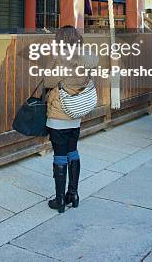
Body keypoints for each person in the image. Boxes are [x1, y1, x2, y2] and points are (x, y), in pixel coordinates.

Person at [44, 25, 98, 213]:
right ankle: (72, 194)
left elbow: (48, 82)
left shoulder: (62, 60)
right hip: (76, 114)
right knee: (72, 151)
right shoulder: (87, 58)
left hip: (60, 114)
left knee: (59, 155)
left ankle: (59, 201)